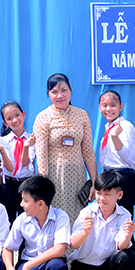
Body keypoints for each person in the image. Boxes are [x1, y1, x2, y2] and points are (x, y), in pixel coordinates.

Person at [68, 171, 135, 270]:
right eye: (99, 193)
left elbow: (121, 246)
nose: (102, 198)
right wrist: (85, 233)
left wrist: (127, 236)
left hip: (106, 268)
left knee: (128, 256)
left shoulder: (124, 215)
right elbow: (73, 244)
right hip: (83, 268)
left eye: (107, 194)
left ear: (119, 195)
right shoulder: (87, 212)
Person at [2, 175, 70, 270]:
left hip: (49, 264)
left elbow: (59, 249)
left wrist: (28, 265)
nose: (21, 204)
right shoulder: (22, 220)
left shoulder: (60, 216)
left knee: (58, 267)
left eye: (25, 201)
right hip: (29, 265)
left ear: (40, 204)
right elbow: (7, 248)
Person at [33, 73, 98, 224]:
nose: (59, 95)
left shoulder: (82, 115)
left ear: (70, 90)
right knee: (56, 220)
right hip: (54, 177)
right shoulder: (43, 117)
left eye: (64, 90)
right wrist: (44, 188)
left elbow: (88, 151)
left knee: (78, 221)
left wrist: (95, 182)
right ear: (48, 94)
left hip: (78, 177)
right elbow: (41, 155)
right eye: (54, 91)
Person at [97, 89, 135, 270]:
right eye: (104, 105)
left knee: (126, 229)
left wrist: (115, 138)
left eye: (113, 104)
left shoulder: (125, 127)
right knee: (112, 231)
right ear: (100, 108)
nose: (109, 109)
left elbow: (125, 155)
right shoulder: (108, 129)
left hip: (123, 178)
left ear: (121, 106)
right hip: (109, 177)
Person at [0, 100, 36, 223]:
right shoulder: (2, 140)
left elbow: (25, 163)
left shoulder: (32, 139)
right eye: (9, 119)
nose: (15, 120)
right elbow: (10, 168)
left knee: (27, 221)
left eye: (17, 115)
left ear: (23, 115)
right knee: (6, 221)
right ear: (5, 123)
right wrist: (1, 150)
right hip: (8, 185)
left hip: (27, 184)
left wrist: (26, 146)